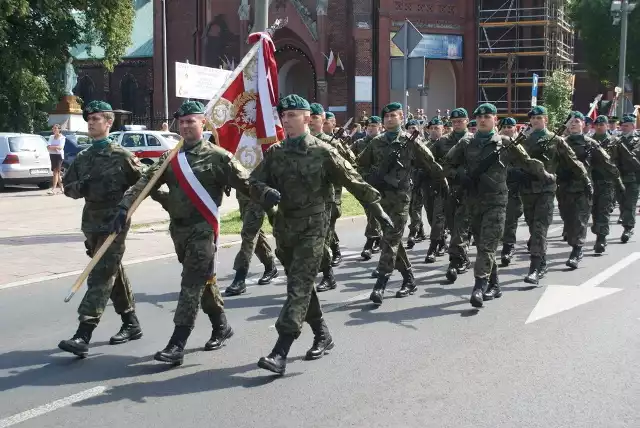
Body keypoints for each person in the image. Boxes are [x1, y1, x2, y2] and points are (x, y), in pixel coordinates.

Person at [249, 94, 392, 374]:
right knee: (303, 287)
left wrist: (377, 210)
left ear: (306, 118)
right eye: (283, 116)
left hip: (314, 228)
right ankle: (323, 335)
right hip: (285, 229)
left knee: (298, 286)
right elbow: (253, 181)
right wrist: (264, 192)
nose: (286, 120)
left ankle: (281, 349)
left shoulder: (322, 151)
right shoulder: (276, 153)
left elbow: (353, 179)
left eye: (292, 115)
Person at [113, 101, 247, 365]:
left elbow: (247, 182)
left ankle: (177, 343)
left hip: (203, 229)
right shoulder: (171, 158)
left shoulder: (218, 156)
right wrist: (124, 206)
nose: (185, 126)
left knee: (191, 284)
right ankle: (221, 325)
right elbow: (145, 181)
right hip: (179, 230)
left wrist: (270, 199)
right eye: (182, 122)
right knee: (203, 281)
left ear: (203, 124)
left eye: (191, 121)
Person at [58, 101, 166, 358]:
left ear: (109, 123)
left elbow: (144, 183)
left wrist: (169, 201)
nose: (92, 122)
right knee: (111, 269)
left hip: (114, 224)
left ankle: (83, 333)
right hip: (91, 224)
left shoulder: (122, 156)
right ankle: (131, 323)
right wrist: (81, 186)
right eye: (90, 118)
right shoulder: (83, 157)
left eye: (97, 118)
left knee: (101, 274)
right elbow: (68, 187)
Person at [442, 103, 554, 308]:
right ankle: (495, 285)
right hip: (473, 201)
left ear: (495, 119)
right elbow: (446, 165)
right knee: (482, 243)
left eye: (487, 116)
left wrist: (545, 175)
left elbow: (527, 162)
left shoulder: (505, 143)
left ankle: (479, 286)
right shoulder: (466, 144)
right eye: (479, 117)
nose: (483, 119)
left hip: (497, 201)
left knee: (487, 243)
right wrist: (461, 176)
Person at [358, 102, 442, 304]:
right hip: (380, 198)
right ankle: (409, 279)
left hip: (401, 198)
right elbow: (360, 165)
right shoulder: (376, 142)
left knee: (390, 238)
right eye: (386, 116)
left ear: (401, 117)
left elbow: (429, 163)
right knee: (391, 239)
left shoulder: (410, 141)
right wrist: (371, 179)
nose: (389, 119)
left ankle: (381, 283)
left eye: (393, 116)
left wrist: (442, 183)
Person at [517, 107, 589, 283]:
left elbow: (573, 161)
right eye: (533, 118)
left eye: (539, 117)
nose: (535, 121)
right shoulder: (522, 141)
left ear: (546, 120)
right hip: (527, 190)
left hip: (546, 190)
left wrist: (586, 180)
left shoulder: (556, 140)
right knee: (533, 226)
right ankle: (541, 262)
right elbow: (513, 162)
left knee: (540, 227)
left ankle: (535, 267)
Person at [557, 111, 617, 269]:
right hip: (564, 187)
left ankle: (577, 251)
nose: (573, 124)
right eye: (571, 121)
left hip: (583, 187)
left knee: (580, 219)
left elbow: (606, 163)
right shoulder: (560, 142)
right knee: (568, 219)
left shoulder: (590, 143)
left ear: (583, 124)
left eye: (577, 121)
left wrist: (617, 181)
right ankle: (575, 243)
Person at [351, 115, 383, 259]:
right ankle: (378, 237)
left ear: (380, 127)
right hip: (364, 183)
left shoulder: (383, 143)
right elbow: (349, 158)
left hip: (381, 183)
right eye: (369, 126)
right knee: (371, 211)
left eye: (374, 126)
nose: (371, 128)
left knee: (373, 210)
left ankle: (370, 241)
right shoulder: (359, 143)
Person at [498, 117, 523, 266]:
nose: (507, 129)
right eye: (505, 126)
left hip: (515, 189)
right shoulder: (496, 144)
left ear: (515, 129)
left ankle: (508, 246)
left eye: (510, 126)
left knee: (511, 218)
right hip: (497, 187)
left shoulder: (522, 145)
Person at [612, 114, 640, 243]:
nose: (623, 128)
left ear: (633, 126)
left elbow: (633, 157)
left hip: (633, 177)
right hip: (619, 177)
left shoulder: (638, 140)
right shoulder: (616, 140)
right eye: (622, 125)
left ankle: (628, 228)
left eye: (626, 125)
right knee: (622, 203)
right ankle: (626, 221)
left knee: (630, 204)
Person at [47, 124, 66, 195]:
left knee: (55, 172)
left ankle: (53, 189)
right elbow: (48, 147)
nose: (54, 130)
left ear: (59, 129)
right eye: (53, 128)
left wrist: (52, 147)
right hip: (52, 155)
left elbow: (60, 147)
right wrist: (55, 147)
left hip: (59, 156)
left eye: (55, 128)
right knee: (57, 173)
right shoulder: (51, 137)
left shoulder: (62, 138)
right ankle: (62, 188)